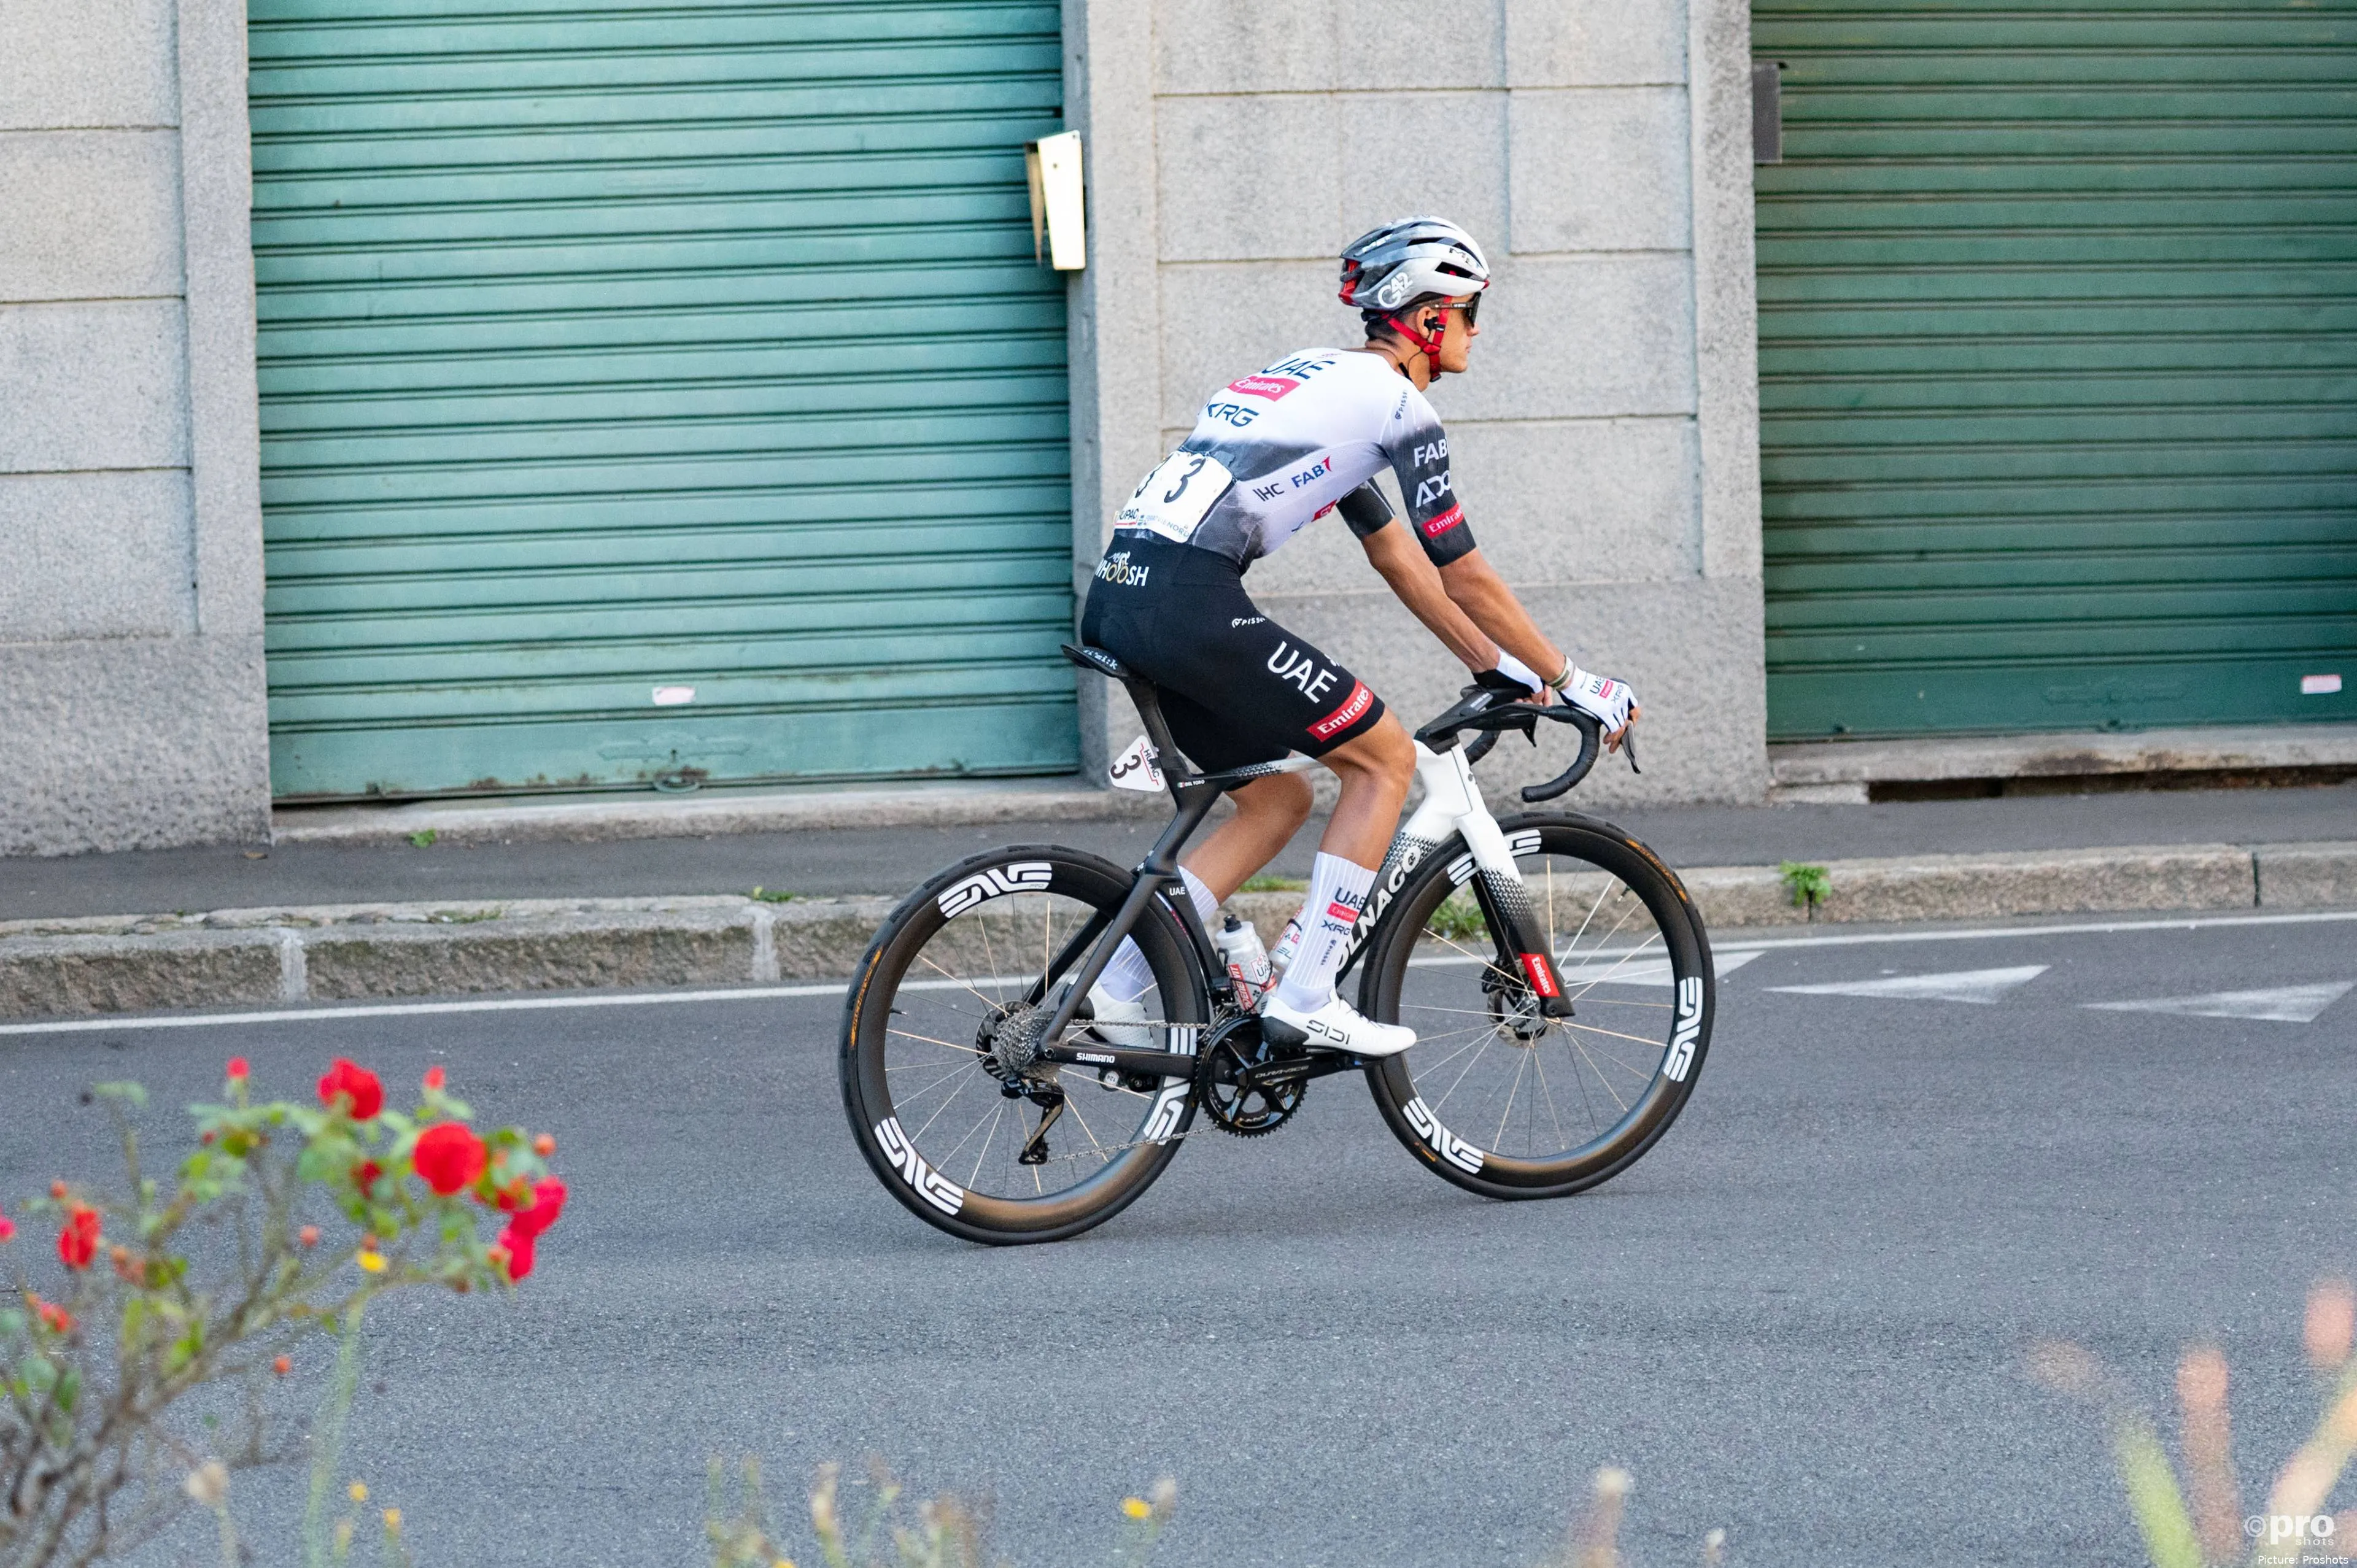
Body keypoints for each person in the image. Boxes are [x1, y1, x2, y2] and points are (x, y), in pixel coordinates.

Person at [1079, 216, 1639, 1057]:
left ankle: (1123, 983)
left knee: (1280, 799)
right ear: (1425, 318)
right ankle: (1306, 994)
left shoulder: (1313, 381)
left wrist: (1503, 669)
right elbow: (1462, 570)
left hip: (1124, 595)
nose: (1475, 331)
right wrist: (1578, 680)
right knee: (1383, 759)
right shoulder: (1397, 405)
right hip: (1185, 599)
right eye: (1468, 311)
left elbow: (1395, 557)